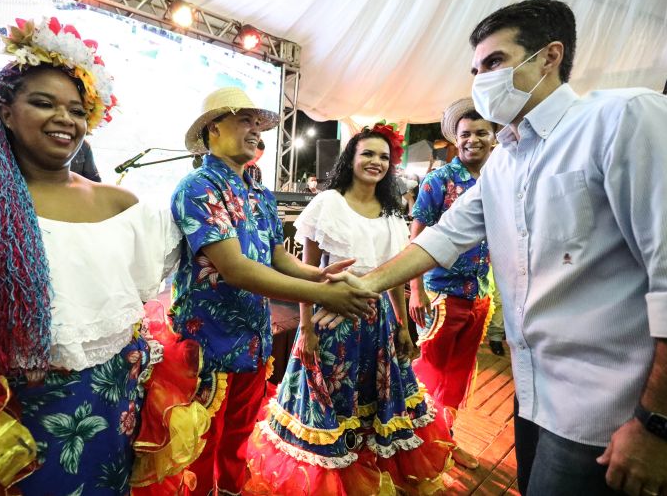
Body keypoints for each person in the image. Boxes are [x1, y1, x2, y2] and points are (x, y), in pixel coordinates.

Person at [326, 0, 667, 496]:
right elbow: (444, 234)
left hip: (612, 414)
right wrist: (367, 282)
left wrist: (656, 423)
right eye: (475, 69)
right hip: (534, 397)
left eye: (494, 63)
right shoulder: (505, 161)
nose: (481, 79)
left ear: (550, 57)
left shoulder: (621, 119)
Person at [0, 17, 205, 495]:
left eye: (76, 109)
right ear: (5, 111)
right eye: (43, 103)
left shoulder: (125, 208)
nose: (64, 119)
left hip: (113, 410)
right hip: (5, 421)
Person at [170, 86, 378, 496]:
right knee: (199, 448)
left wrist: (318, 276)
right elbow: (235, 269)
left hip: (253, 340)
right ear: (213, 128)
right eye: (244, 121)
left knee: (236, 441)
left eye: (257, 123)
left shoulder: (259, 193)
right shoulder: (198, 187)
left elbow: (277, 257)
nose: (256, 132)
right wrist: (321, 295)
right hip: (208, 343)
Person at [246, 122, 454, 495]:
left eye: (384, 157)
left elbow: (394, 277)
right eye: (368, 154)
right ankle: (330, 482)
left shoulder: (392, 214)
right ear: (351, 159)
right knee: (330, 406)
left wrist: (403, 327)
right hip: (331, 320)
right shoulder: (328, 203)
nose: (376, 162)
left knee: (371, 406)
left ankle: (364, 475)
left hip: (379, 324)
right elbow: (309, 273)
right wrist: (306, 326)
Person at [407, 97, 495, 469]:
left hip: (479, 294)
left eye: (480, 132)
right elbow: (417, 238)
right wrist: (415, 289)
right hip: (441, 294)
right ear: (454, 140)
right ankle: (414, 443)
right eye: (465, 134)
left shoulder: (498, 178)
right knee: (430, 370)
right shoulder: (439, 180)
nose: (472, 139)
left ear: (493, 136)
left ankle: (445, 438)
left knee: (458, 374)